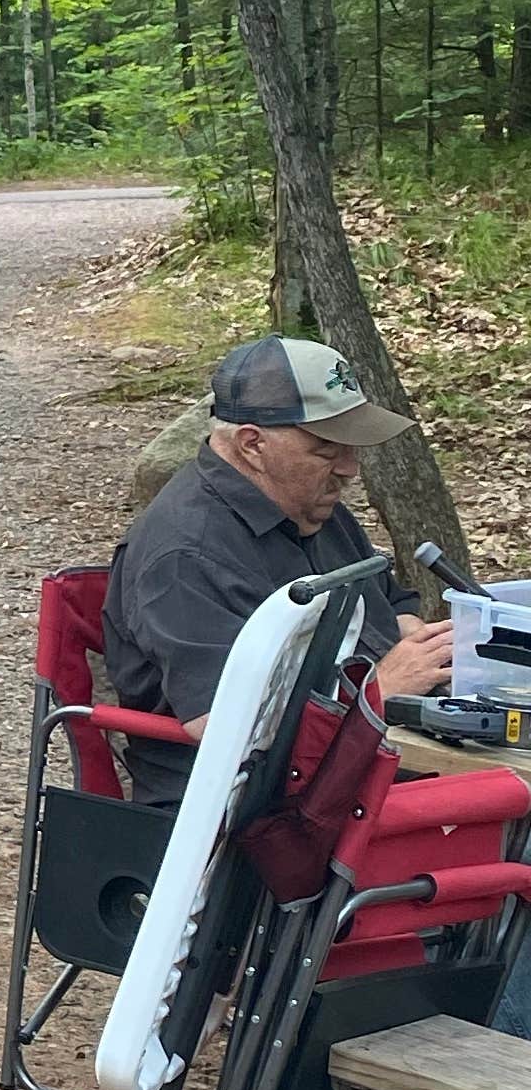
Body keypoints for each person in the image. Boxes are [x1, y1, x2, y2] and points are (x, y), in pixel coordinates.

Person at [101, 335, 454, 807]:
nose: (350, 469)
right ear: (252, 445)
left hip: (355, 764)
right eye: (328, 449)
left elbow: (390, 608)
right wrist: (380, 691)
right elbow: (228, 724)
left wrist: (431, 647)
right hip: (244, 808)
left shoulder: (310, 507)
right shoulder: (187, 553)